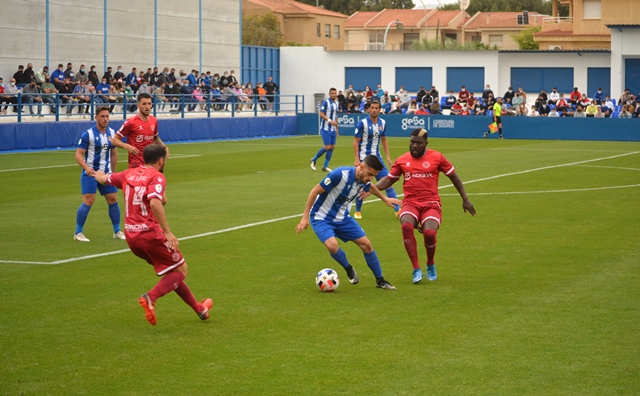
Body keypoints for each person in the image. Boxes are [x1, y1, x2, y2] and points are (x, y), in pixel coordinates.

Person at [94, 144, 212, 325]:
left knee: (172, 272)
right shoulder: (157, 177)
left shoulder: (128, 173)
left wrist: (97, 175)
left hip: (132, 238)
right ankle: (151, 298)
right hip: (149, 234)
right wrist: (167, 232)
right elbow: (155, 203)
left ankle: (199, 309)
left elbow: (105, 179)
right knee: (181, 270)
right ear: (161, 160)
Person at [374, 128, 476, 284]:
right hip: (410, 203)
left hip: (431, 204)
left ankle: (430, 263)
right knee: (406, 226)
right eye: (412, 142)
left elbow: (454, 177)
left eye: (418, 143)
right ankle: (416, 268)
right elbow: (388, 180)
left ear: (426, 144)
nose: (414, 146)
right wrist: (370, 188)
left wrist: (465, 198)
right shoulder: (402, 160)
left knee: (429, 233)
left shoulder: (437, 157)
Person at [295, 155, 401, 290]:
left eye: (373, 175)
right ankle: (348, 268)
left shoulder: (364, 179)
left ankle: (380, 281)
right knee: (332, 246)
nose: (370, 178)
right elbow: (315, 191)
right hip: (321, 217)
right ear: (361, 167)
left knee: (366, 245)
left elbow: (370, 185)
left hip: (342, 218)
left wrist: (385, 199)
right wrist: (305, 217)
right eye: (369, 174)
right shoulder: (339, 174)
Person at [73, 106, 125, 242]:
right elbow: (78, 154)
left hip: (106, 173)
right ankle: (78, 233)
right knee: (89, 200)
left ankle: (117, 231)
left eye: (107, 116)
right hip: (90, 174)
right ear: (96, 117)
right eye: (102, 116)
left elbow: (114, 153)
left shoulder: (112, 133)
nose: (105, 119)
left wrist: (113, 172)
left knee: (113, 199)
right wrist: (86, 168)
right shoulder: (88, 134)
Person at [352, 100, 400, 219]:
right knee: (363, 185)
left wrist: (388, 156)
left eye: (376, 108)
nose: (374, 110)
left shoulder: (382, 123)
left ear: (379, 110)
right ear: (368, 109)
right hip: (364, 159)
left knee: (387, 182)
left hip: (377, 159)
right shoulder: (362, 123)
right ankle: (358, 211)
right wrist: (356, 159)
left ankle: (397, 210)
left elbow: (384, 139)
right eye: (372, 108)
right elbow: (355, 141)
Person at [112, 93, 167, 168]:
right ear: (138, 105)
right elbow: (114, 140)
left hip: (150, 164)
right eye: (144, 104)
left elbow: (156, 138)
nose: (147, 107)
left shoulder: (154, 120)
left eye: (149, 104)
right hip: (136, 165)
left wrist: (164, 148)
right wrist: (127, 146)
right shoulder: (130, 122)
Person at [310, 88, 339, 172]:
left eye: (335, 93)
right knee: (327, 146)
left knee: (332, 147)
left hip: (333, 129)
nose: (334, 94)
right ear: (329, 94)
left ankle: (325, 166)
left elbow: (336, 116)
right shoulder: (326, 102)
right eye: (332, 93)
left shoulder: (337, 103)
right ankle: (314, 159)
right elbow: (321, 114)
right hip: (325, 128)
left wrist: (337, 128)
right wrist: (330, 121)